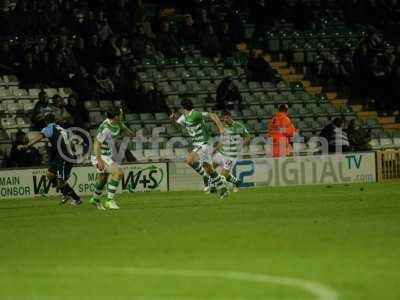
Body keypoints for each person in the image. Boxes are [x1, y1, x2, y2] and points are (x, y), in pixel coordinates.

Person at [169, 98, 229, 199]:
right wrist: (172, 120)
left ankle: (205, 177)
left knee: (190, 160)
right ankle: (223, 189)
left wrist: (221, 128)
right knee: (209, 170)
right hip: (199, 145)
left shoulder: (195, 114)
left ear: (182, 107)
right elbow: (177, 128)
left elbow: (212, 115)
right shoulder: (183, 117)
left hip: (204, 143)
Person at [18, 114, 81, 205]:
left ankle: (76, 199)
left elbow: (39, 137)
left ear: (46, 122)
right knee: (50, 174)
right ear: (54, 121)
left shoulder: (48, 128)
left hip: (64, 157)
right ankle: (65, 193)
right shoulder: (61, 129)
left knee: (61, 181)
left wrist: (26, 146)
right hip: (62, 156)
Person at [90, 107, 135, 210]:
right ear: (116, 117)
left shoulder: (118, 122)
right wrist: (99, 160)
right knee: (118, 173)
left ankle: (95, 199)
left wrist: (131, 134)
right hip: (99, 155)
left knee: (103, 179)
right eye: (120, 114)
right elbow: (96, 143)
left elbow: (124, 128)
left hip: (107, 154)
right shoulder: (105, 128)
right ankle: (110, 201)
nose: (122, 116)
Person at [211, 111, 251, 193]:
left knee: (222, 176)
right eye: (224, 118)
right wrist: (215, 150)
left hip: (231, 156)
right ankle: (236, 181)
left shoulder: (238, 126)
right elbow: (222, 140)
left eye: (227, 118)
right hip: (221, 153)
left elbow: (247, 137)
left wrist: (241, 146)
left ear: (230, 116)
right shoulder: (223, 127)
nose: (225, 120)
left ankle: (215, 188)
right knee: (210, 168)